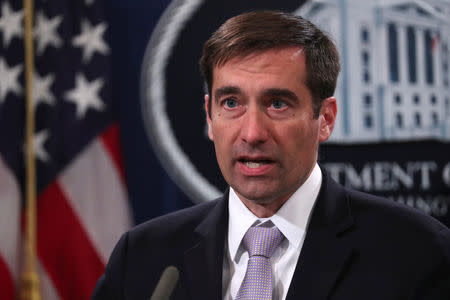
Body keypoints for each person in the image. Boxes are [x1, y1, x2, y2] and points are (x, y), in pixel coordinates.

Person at [91, 11, 450, 300]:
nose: (252, 133)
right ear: (209, 117)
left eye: (277, 104)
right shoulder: (143, 259)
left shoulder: (416, 253)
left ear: (324, 119)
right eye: (231, 103)